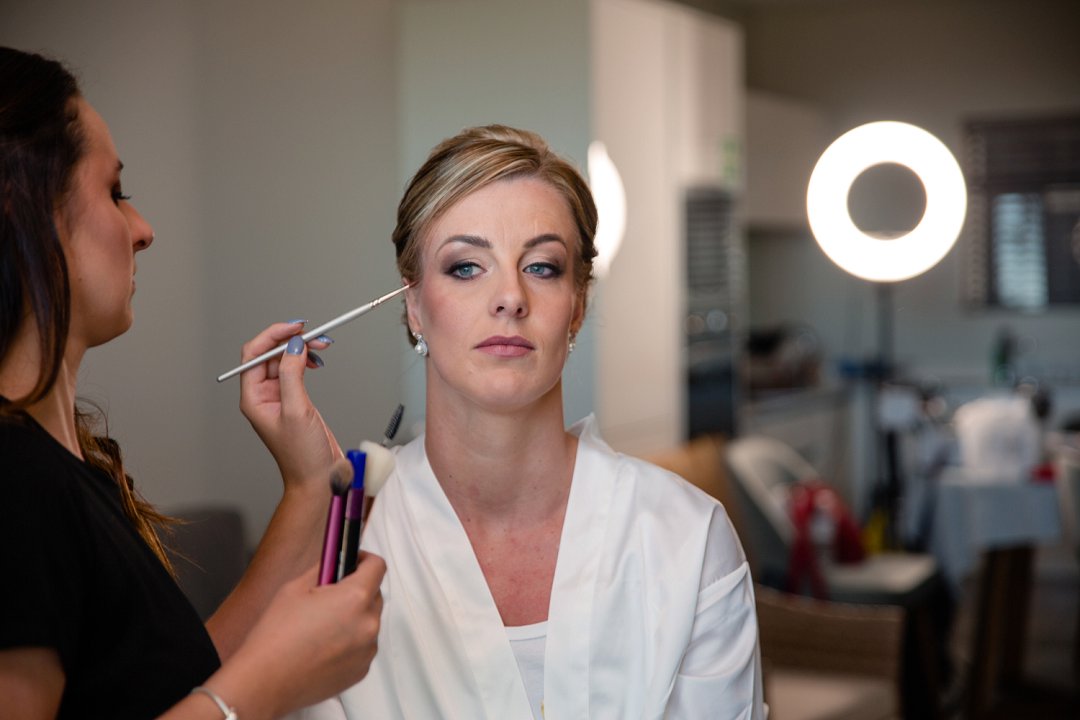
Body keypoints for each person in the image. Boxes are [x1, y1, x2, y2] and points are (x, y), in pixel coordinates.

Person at [298, 125, 764, 718]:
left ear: (578, 305)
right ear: (413, 306)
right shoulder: (346, 545)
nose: (510, 297)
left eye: (542, 267)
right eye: (467, 267)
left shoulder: (686, 538)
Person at [0, 46, 385, 719]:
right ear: (31, 209)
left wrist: (308, 483)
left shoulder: (67, 472)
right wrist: (265, 687)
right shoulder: (11, 482)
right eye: (114, 192)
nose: (142, 230)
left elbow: (166, 687)